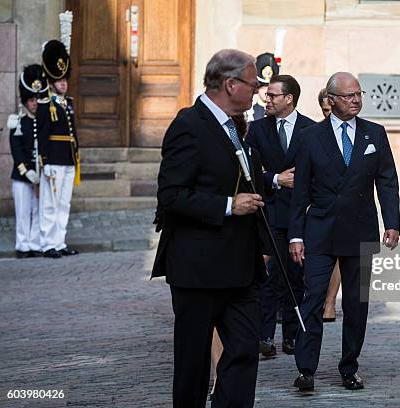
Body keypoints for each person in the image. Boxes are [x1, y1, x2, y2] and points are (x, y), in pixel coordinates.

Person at [151, 49, 270, 407]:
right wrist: (228, 206)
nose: (258, 92)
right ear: (230, 84)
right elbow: (171, 195)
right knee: (193, 363)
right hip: (198, 268)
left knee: (245, 350)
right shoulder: (189, 124)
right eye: (253, 84)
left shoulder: (236, 126)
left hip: (239, 268)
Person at [289, 72, 400, 391]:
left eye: (358, 94)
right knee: (313, 301)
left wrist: (391, 222)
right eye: (349, 96)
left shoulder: (375, 134)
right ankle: (306, 369)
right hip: (320, 231)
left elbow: (387, 180)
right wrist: (296, 235)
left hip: (361, 230)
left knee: (356, 303)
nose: (356, 100)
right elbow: (300, 193)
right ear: (331, 100)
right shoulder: (311, 137)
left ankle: (349, 367)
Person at [245, 74, 315, 356]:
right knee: (270, 276)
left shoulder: (311, 129)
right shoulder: (258, 129)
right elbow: (249, 171)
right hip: (271, 213)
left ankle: (292, 336)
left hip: (301, 215)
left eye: (273, 95)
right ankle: (265, 337)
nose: (267, 99)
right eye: (267, 94)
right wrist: (275, 179)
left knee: (296, 277)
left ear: (289, 99)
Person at [37, 39, 80, 258]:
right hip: (53, 158)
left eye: (64, 79)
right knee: (49, 203)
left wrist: (76, 156)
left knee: (64, 203)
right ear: (52, 82)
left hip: (68, 159)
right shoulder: (45, 105)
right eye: (59, 80)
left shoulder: (68, 103)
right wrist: (43, 160)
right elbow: (42, 135)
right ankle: (47, 243)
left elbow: (73, 134)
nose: (63, 83)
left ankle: (60, 241)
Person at [8, 64, 48, 258]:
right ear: (25, 101)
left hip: (39, 175)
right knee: (23, 212)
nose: (34, 103)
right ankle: (22, 245)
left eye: (37, 99)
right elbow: (16, 150)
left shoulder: (41, 121)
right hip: (23, 175)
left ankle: (35, 243)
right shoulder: (17, 121)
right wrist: (27, 171)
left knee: (37, 211)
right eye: (31, 100)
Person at [317, 87, 341, 322]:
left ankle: (330, 301)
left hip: (343, 206)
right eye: (325, 110)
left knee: (337, 255)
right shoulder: (314, 133)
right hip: (319, 204)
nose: (329, 114)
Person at [246, 52, 279, 122]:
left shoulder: (279, 113)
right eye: (263, 86)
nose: (266, 91)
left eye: (270, 87)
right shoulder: (249, 113)